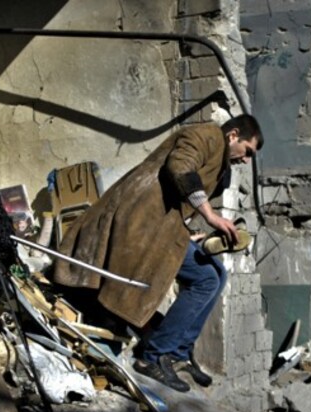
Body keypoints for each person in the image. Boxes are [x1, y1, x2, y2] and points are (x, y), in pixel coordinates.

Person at [54, 115, 263, 392]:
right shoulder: (208, 134)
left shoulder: (219, 158)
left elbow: (178, 201)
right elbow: (180, 167)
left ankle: (177, 354)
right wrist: (211, 217)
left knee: (217, 274)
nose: (246, 160)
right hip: (141, 224)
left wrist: (190, 232)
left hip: (163, 228)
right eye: (247, 151)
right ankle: (152, 356)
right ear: (234, 135)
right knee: (206, 280)